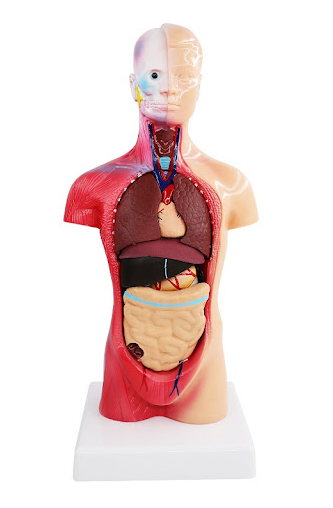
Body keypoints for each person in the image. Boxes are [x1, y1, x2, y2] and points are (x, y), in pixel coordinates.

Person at [65, 24, 258, 423]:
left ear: (200, 86)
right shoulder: (92, 186)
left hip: (203, 369)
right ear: (132, 85)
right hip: (125, 362)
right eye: (155, 75)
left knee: (203, 421)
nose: (170, 89)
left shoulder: (232, 184)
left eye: (184, 77)